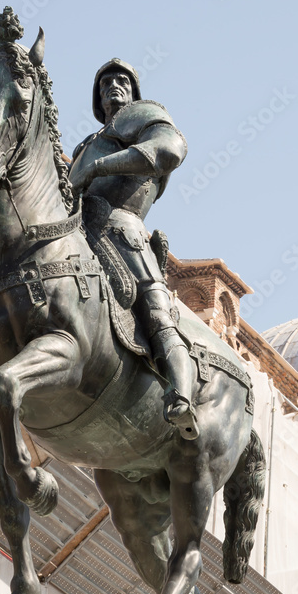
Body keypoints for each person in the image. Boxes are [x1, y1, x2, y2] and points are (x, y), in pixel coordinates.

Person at [69, 58, 198, 439]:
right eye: (105, 81)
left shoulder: (146, 115)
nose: (113, 85)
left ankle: (181, 395)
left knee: (156, 313)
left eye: (122, 80)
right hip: (78, 229)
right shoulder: (85, 144)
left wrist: (97, 169)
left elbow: (170, 149)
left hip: (122, 229)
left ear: (133, 91)